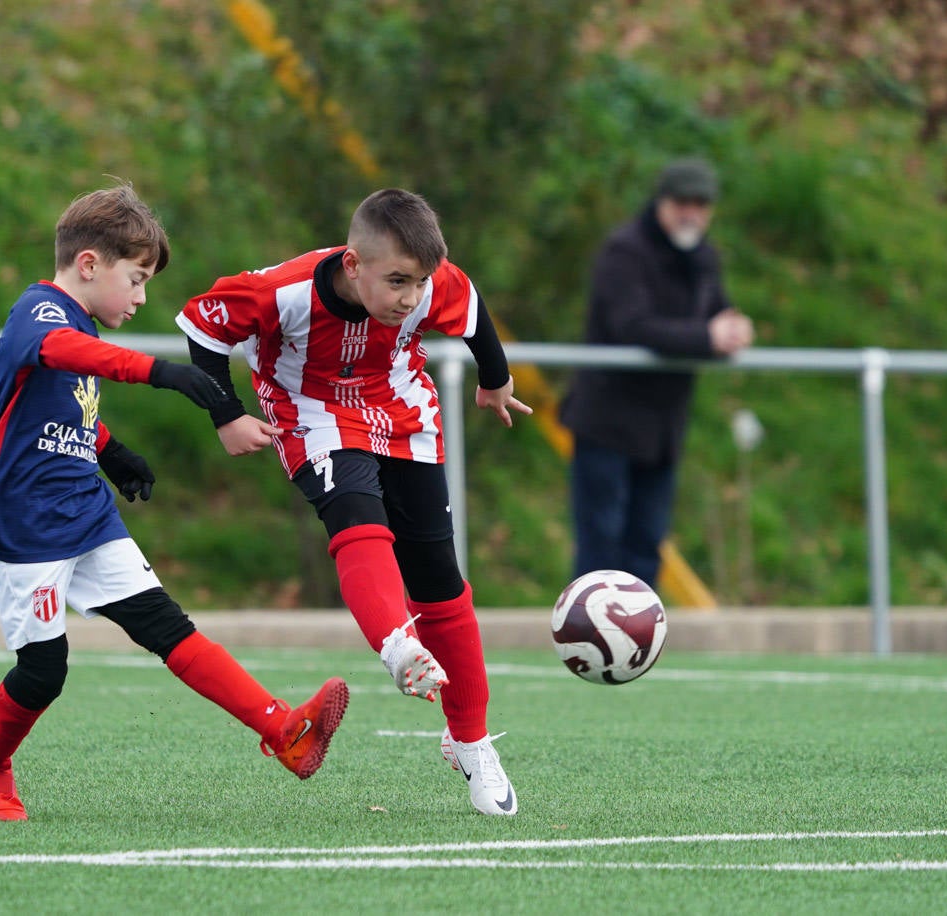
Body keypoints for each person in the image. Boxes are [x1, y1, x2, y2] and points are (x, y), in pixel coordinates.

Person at [0, 185, 348, 821]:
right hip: (26, 523)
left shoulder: (77, 319)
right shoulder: (40, 311)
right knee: (43, 671)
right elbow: (65, 355)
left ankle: (286, 732)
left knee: (169, 628)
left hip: (85, 510)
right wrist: (161, 372)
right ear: (89, 265)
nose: (141, 298)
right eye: (135, 280)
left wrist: (110, 450)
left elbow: (60, 403)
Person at [175, 188, 532, 816]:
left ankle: (470, 742)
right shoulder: (279, 293)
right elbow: (201, 328)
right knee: (358, 517)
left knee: (440, 583)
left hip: (404, 413)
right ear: (351, 265)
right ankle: (399, 648)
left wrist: (495, 381)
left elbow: (471, 311)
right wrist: (226, 415)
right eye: (396, 281)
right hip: (312, 414)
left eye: (420, 283)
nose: (411, 297)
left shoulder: (429, 282)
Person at [559, 157, 755, 588]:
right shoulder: (625, 251)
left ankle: (635, 649)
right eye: (682, 202)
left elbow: (717, 312)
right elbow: (634, 325)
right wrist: (709, 337)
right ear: (661, 203)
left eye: (701, 204)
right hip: (606, 421)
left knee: (646, 545)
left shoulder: (704, 258)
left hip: (662, 428)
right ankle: (588, 646)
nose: (692, 213)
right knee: (600, 545)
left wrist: (734, 327)